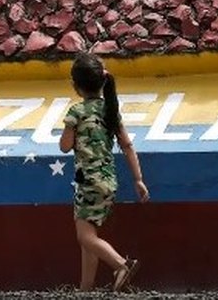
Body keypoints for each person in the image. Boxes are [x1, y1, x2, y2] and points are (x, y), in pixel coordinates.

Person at [59, 52, 150, 292]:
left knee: (84, 237)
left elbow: (65, 146)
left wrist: (71, 129)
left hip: (88, 182)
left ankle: (121, 264)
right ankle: (85, 289)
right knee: (89, 238)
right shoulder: (110, 111)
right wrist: (138, 180)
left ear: (75, 86)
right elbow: (128, 145)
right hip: (109, 182)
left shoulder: (76, 112)